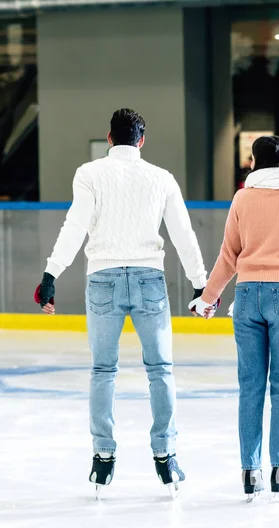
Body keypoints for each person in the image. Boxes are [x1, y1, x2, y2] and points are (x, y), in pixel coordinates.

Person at [34, 108, 208, 498]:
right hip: (149, 280)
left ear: (109, 138)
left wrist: (51, 274)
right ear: (141, 141)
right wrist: (201, 284)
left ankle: (103, 458)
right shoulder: (160, 178)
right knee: (161, 370)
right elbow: (183, 232)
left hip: (103, 280)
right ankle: (166, 457)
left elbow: (74, 225)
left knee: (102, 371)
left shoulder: (89, 173)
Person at [190, 136, 279, 501]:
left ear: (255, 161)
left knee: (250, 386)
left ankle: (250, 473)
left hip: (247, 296)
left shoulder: (243, 198)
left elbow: (228, 255)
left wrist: (207, 298)